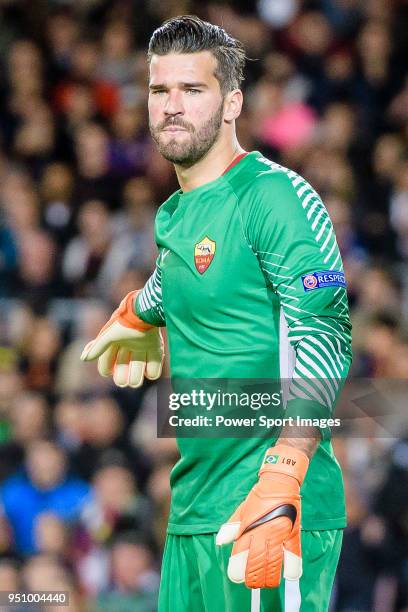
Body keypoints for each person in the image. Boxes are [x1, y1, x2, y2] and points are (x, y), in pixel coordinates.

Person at [81, 15, 352, 612]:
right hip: (192, 512)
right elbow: (186, 274)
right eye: (159, 90)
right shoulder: (177, 212)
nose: (172, 105)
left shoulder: (277, 196)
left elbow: (325, 333)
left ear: (232, 102)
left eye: (192, 89)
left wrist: (283, 475)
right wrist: (141, 310)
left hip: (269, 511)